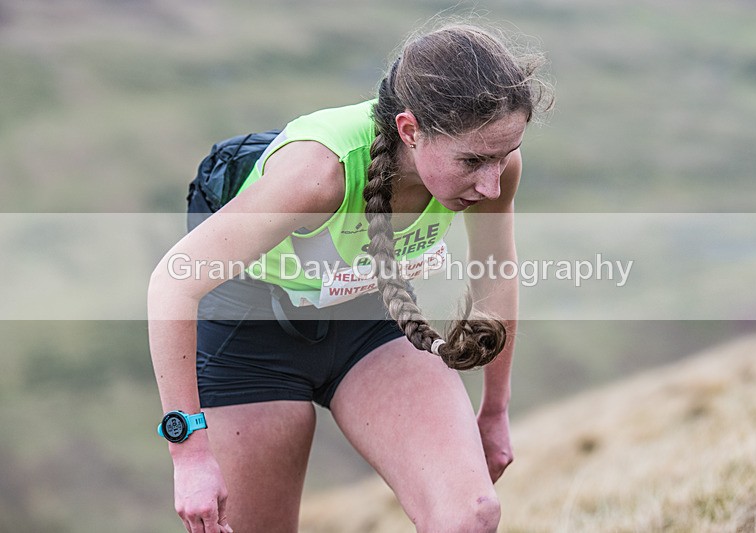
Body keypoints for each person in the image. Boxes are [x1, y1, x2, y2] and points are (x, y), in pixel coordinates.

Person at [148, 22, 551, 533]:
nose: (491, 184)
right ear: (410, 130)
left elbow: (496, 273)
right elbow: (172, 284)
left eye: (503, 155)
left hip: (370, 323)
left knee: (471, 516)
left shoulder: (496, 162)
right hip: (248, 340)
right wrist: (188, 455)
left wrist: (495, 410)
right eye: (474, 161)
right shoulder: (318, 174)